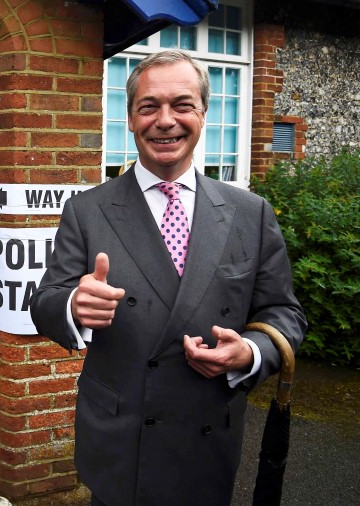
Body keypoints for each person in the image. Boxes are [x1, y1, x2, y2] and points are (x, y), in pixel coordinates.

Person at [30, 50, 306, 506]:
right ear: (131, 118)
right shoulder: (87, 210)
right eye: (149, 107)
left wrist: (251, 352)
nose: (165, 120)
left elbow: (284, 313)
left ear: (202, 113)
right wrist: (72, 306)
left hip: (208, 437)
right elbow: (44, 303)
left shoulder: (250, 214)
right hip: (120, 440)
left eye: (182, 105)